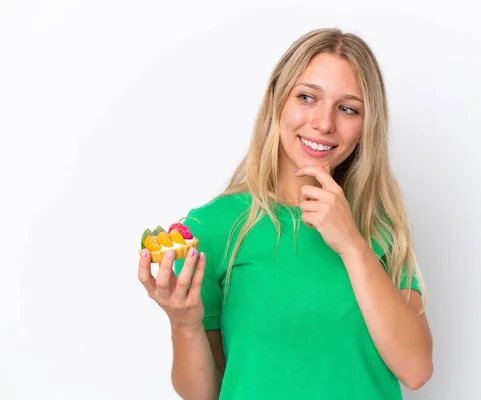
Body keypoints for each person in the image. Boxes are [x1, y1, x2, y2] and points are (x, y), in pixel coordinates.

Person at [138, 27, 433, 400]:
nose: (324, 123)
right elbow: (206, 394)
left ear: (366, 124)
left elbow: (416, 369)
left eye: (347, 108)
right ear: (277, 100)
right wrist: (183, 325)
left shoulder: (379, 228)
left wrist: (353, 247)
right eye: (307, 97)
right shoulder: (214, 228)